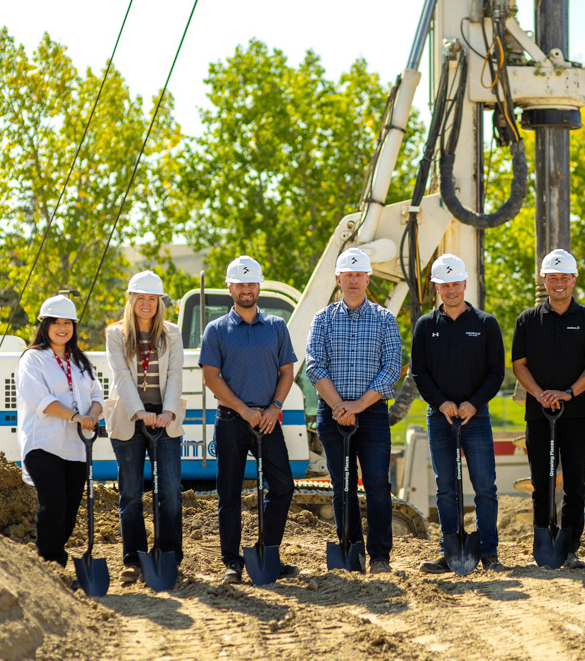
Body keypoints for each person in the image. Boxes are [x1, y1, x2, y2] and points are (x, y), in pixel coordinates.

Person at [199, 256, 298, 583]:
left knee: (283, 485)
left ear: (259, 287)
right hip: (231, 420)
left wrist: (274, 408)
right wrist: (244, 410)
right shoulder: (216, 330)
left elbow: (287, 372)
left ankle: (266, 554)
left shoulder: (276, 327)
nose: (246, 289)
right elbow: (211, 377)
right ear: (230, 288)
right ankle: (232, 562)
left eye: (251, 283)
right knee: (228, 493)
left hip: (268, 420)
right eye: (240, 284)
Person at [305, 247, 402, 574]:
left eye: (359, 274)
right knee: (341, 484)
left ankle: (379, 558)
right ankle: (350, 550)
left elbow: (391, 368)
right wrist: (338, 406)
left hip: (372, 414)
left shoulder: (385, 319)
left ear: (368, 278)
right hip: (332, 415)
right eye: (348, 274)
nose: (354, 280)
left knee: (376, 484)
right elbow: (315, 366)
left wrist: (357, 406)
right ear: (338, 279)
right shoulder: (323, 319)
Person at [511, 249, 585, 570]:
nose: (558, 283)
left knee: (575, 484)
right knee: (542, 482)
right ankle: (545, 541)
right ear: (544, 280)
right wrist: (540, 395)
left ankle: (570, 548)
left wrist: (567, 393)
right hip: (539, 415)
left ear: (574, 280)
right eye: (552, 277)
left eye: (564, 277)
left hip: (577, 415)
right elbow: (519, 365)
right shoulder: (527, 320)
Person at [411, 254, 506, 574]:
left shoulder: (485, 323)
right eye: (444, 284)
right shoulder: (425, 326)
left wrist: (473, 404)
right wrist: (442, 403)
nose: (451, 289)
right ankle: (449, 551)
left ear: (465, 284)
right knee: (446, 487)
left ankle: (489, 553)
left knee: (485, 486)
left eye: (456, 283)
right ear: (436, 287)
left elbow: (496, 372)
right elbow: (419, 372)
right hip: (440, 418)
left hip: (475, 417)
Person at [105, 271, 186, 584]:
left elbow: (176, 374)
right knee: (131, 494)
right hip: (128, 419)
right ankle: (134, 561)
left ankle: (168, 557)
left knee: (170, 493)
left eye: (152, 298)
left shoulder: (172, 333)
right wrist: (140, 412)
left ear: (159, 302)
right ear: (131, 300)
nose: (147, 303)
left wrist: (166, 412)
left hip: (164, 420)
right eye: (141, 297)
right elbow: (121, 376)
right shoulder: (116, 334)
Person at [15, 294, 103, 570]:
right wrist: (76, 416)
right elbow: (40, 399)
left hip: (76, 448)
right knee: (53, 503)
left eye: (68, 323)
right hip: (43, 445)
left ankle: (54, 561)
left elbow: (97, 395)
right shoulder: (33, 359)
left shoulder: (80, 360)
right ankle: (50, 562)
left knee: (68, 512)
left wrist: (92, 415)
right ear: (44, 325)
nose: (62, 328)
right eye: (56, 323)